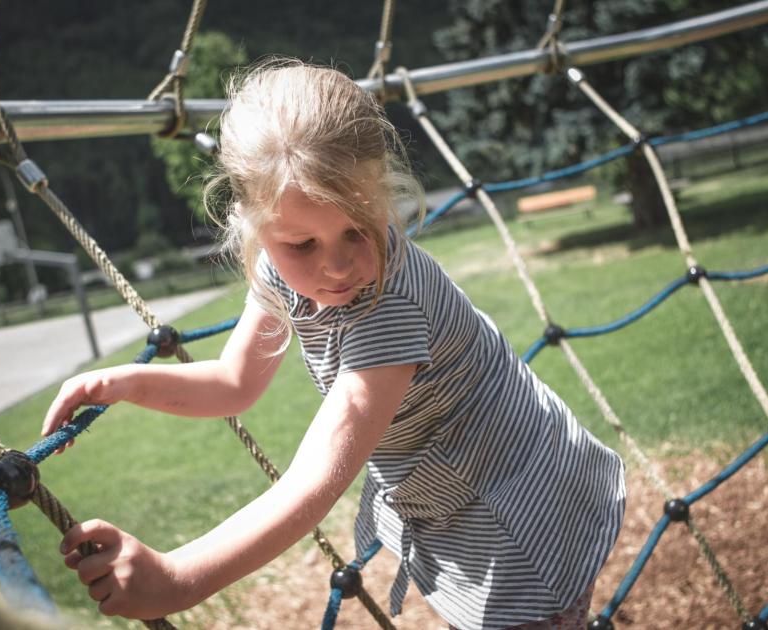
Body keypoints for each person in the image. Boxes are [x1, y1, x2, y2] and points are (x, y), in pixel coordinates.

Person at [41, 59, 625, 630]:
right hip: (462, 495)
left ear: (382, 190)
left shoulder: (389, 307)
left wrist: (178, 578)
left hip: (521, 507)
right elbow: (233, 383)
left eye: (356, 229)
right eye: (302, 245)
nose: (338, 266)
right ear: (252, 223)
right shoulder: (275, 268)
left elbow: (316, 480)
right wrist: (123, 383)